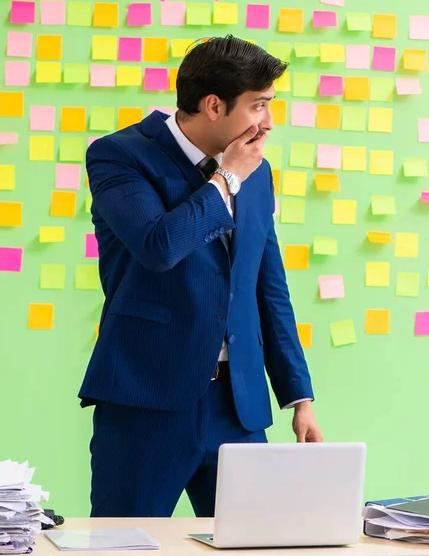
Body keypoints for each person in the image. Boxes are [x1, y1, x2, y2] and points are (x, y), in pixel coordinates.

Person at [78, 34, 323, 519]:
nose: (268, 122)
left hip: (238, 406)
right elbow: (159, 246)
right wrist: (226, 178)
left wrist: (299, 394)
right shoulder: (119, 157)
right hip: (147, 402)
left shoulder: (258, 169)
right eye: (259, 105)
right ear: (214, 105)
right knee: (122, 550)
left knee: (257, 546)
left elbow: (267, 286)